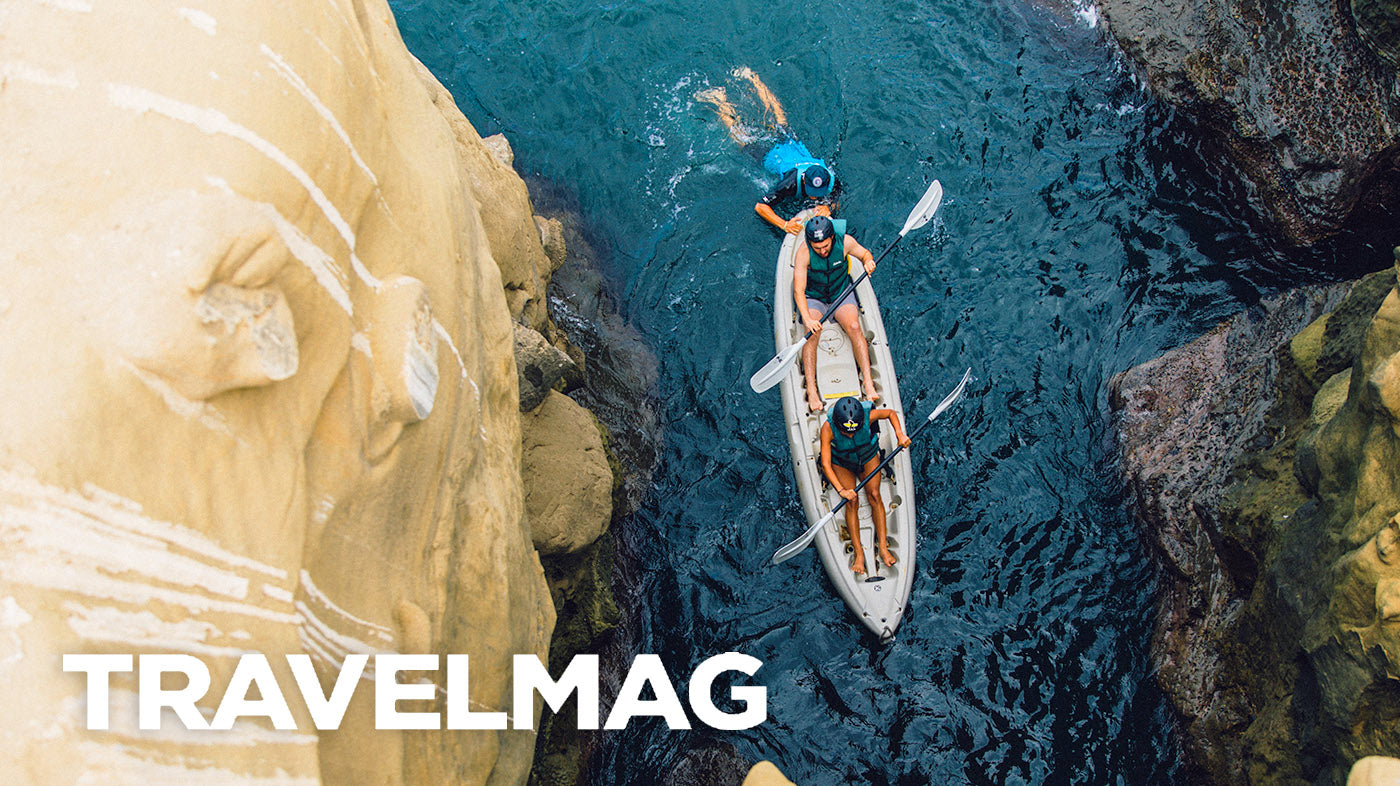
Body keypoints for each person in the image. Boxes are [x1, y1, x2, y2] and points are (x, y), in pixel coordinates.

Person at [695, 66, 840, 233]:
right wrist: (784, 224)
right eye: (812, 192)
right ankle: (719, 100)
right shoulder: (790, 184)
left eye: (818, 192)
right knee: (739, 137)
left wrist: (829, 207)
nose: (814, 197)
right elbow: (761, 206)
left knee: (780, 118)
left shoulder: (832, 180)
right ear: (804, 181)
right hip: (771, 154)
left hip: (792, 147)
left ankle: (753, 77)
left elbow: (836, 198)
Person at [794, 215, 879, 411]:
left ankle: (868, 383)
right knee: (812, 335)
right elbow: (799, 290)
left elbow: (865, 254)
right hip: (815, 298)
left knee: (855, 326)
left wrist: (868, 262)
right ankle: (813, 390)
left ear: (832, 237)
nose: (822, 251)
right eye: (818, 248)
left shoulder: (846, 242)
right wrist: (807, 318)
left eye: (825, 246)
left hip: (840, 294)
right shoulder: (804, 253)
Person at [820, 396, 910, 576]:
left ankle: (883, 547)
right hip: (843, 462)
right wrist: (842, 490)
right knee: (851, 502)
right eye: (846, 432)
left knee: (875, 495)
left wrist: (900, 434)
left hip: (867, 456)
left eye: (854, 431)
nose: (851, 435)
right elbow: (826, 464)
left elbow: (890, 413)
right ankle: (859, 553)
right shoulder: (828, 428)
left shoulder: (868, 416)